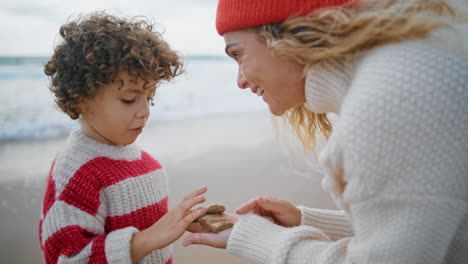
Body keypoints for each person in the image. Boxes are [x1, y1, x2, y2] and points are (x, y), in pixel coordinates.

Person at [183, 0, 468, 263]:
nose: (240, 81)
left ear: (286, 32)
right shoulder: (406, 67)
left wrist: (256, 238)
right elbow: (436, 227)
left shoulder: (389, 102)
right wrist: (306, 221)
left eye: (238, 53)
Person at [38, 13, 207, 264]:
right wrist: (148, 239)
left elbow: (148, 231)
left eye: (149, 98)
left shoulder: (145, 163)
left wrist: (180, 222)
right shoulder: (75, 174)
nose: (145, 111)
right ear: (80, 97)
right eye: (129, 99)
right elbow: (67, 258)